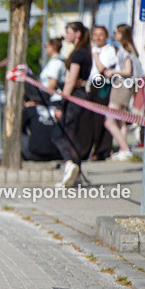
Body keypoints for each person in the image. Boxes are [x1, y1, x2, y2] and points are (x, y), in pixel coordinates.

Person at [52, 22, 92, 188]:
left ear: (77, 34)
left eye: (68, 31)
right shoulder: (84, 52)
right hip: (81, 94)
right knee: (72, 133)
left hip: (74, 95)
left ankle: (70, 164)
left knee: (60, 133)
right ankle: (76, 175)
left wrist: (61, 104)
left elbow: (71, 80)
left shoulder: (78, 54)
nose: (65, 35)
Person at [100, 24, 143, 161]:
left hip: (121, 86)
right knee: (121, 120)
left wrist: (112, 72)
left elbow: (127, 71)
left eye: (116, 32)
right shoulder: (131, 48)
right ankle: (123, 150)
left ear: (122, 34)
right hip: (128, 86)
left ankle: (125, 149)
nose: (114, 35)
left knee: (109, 121)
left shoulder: (125, 50)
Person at [86, 25, 116, 161]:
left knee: (100, 119)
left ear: (106, 36)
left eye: (101, 35)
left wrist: (96, 56)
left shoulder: (109, 50)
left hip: (103, 85)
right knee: (90, 119)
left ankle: (102, 150)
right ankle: (90, 148)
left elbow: (101, 68)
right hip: (92, 85)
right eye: (95, 34)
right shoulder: (92, 49)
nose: (98, 37)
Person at [38, 37, 65, 103]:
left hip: (53, 100)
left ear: (53, 47)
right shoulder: (54, 61)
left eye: (46, 46)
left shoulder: (55, 63)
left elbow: (52, 83)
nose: (45, 49)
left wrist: (43, 99)